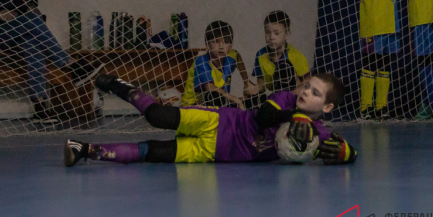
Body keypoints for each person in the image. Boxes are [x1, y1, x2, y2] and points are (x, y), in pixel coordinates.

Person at [64, 73, 357, 166]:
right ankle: (120, 86)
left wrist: (348, 154)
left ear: (327, 106)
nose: (305, 92)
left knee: (151, 152)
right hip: (220, 122)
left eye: (315, 93)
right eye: (306, 86)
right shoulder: (285, 100)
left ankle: (83, 149)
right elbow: (265, 116)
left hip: (213, 152)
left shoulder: (316, 131)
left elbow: (337, 148)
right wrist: (295, 115)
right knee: (157, 116)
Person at [245, 11, 310, 108]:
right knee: (250, 101)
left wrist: (290, 95)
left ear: (287, 34)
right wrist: (255, 89)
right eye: (268, 33)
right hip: (275, 96)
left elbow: (307, 82)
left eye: (277, 33)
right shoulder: (260, 55)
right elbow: (262, 84)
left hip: (293, 97)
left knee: (285, 66)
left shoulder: (296, 56)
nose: (271, 37)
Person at [180, 21, 251, 108]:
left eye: (226, 42)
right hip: (193, 105)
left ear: (230, 46)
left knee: (252, 100)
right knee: (213, 96)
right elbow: (210, 88)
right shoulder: (201, 61)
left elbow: (237, 56)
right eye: (216, 41)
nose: (221, 46)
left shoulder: (231, 57)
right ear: (207, 45)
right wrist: (235, 99)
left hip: (220, 103)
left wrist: (246, 83)